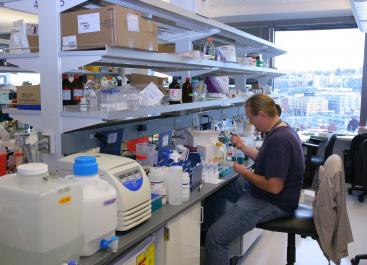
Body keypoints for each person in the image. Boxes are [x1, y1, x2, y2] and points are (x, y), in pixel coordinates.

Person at [204, 94, 304, 265]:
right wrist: (242, 146)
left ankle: (217, 240)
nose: (251, 122)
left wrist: (245, 172)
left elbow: (274, 186)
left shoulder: (279, 140)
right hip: (269, 193)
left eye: (251, 117)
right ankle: (215, 242)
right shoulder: (281, 129)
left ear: (262, 115)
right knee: (221, 189)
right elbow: (266, 160)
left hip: (273, 201)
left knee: (215, 238)